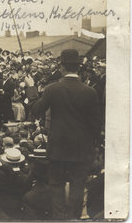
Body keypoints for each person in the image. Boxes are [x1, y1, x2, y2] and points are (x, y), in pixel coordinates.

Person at [25, 49, 101, 220]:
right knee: (78, 187)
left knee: (57, 187)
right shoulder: (90, 91)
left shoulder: (53, 89)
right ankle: (74, 218)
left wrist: (31, 88)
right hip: (82, 149)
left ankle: (59, 219)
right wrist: (92, 145)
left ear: (61, 67)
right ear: (78, 68)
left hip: (58, 148)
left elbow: (36, 110)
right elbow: (96, 124)